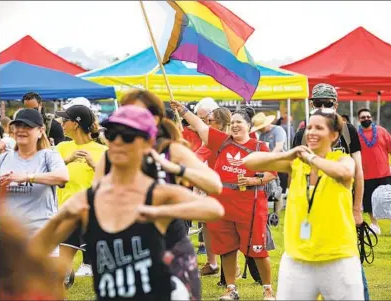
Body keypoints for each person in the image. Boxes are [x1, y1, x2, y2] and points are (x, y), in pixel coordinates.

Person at [29, 106, 225, 301]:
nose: (118, 142)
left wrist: (155, 211)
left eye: (128, 137)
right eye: (113, 135)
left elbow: (214, 208)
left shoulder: (155, 192)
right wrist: (62, 217)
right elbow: (34, 250)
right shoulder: (91, 196)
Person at [93, 89, 222, 301]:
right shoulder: (111, 155)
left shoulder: (170, 149)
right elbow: (96, 198)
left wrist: (175, 168)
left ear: (154, 118)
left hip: (170, 245)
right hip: (127, 249)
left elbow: (214, 185)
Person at [244, 109, 363, 300]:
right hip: (297, 258)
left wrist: (311, 158)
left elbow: (345, 173)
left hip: (337, 258)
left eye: (318, 128)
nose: (311, 132)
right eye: (309, 127)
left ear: (334, 135)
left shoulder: (342, 159)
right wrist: (288, 154)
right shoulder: (296, 163)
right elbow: (249, 162)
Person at [171, 101, 277, 300]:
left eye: (240, 122)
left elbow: (272, 172)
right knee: (227, 249)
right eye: (233, 122)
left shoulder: (259, 146)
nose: (235, 125)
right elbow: (201, 126)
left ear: (249, 126)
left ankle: (268, 289)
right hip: (222, 206)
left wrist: (255, 179)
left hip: (251, 207)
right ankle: (231, 289)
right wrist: (183, 110)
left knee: (257, 250)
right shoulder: (221, 141)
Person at [54, 104, 108, 284]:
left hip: (93, 216)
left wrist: (95, 165)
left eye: (65, 120)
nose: (61, 123)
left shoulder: (102, 151)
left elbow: (115, 180)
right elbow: (47, 173)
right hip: (66, 213)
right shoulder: (61, 148)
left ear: (76, 124)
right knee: (60, 269)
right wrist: (66, 161)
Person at [0, 109, 68, 246]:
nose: (21, 130)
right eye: (17, 126)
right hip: (9, 239)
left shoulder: (49, 156)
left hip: (41, 238)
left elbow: (62, 177)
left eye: (27, 126)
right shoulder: (3, 158)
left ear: (40, 131)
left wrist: (27, 177)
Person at [195, 107, 231, 277]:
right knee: (208, 226)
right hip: (215, 186)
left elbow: (197, 158)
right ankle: (215, 264)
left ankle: (224, 266)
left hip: (219, 188)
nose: (206, 124)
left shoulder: (217, 139)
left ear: (221, 124)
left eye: (209, 121)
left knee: (218, 227)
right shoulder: (224, 138)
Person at [357, 108, 391, 235]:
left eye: (368, 116)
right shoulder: (356, 135)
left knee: (387, 199)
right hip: (365, 175)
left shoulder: (381, 131)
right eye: (363, 117)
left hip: (383, 173)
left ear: (371, 118)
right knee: (369, 201)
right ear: (358, 120)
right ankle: (374, 225)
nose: (366, 119)